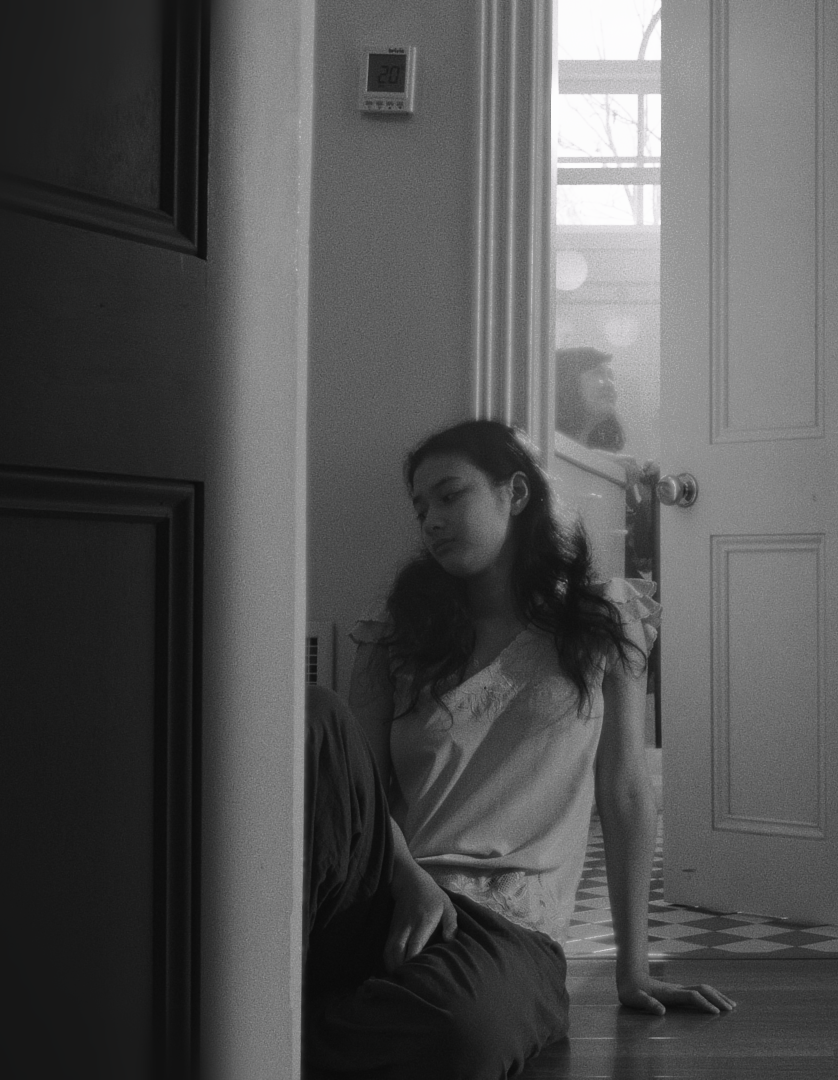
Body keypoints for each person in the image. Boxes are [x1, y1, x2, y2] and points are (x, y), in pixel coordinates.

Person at [304, 419, 734, 1078]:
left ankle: (285, 1030)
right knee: (315, 715)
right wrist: (408, 880)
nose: (432, 520)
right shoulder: (396, 635)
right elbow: (359, 791)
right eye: (421, 508)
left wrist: (634, 968)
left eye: (450, 495)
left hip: (508, 924)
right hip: (389, 890)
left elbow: (625, 793)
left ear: (516, 493)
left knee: (464, 1033)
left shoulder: (603, 622)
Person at [554, 346, 625, 451]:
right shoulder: (547, 446)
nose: (610, 384)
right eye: (597, 373)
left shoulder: (597, 457)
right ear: (569, 383)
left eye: (610, 376)